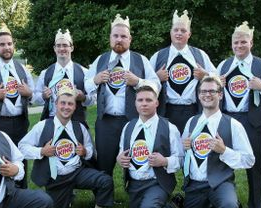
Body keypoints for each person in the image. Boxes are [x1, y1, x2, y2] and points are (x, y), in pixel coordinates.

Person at [181, 75, 254, 208]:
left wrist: (224, 151)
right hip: (194, 184)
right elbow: (184, 152)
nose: (207, 95)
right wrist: (184, 146)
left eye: (212, 91)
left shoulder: (232, 125)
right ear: (198, 95)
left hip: (219, 182)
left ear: (220, 95)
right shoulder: (192, 122)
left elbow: (249, 160)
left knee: (229, 206)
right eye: (203, 91)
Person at [216, 22, 261, 208]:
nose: (239, 45)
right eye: (235, 42)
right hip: (228, 119)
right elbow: (212, 92)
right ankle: (229, 205)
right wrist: (217, 84)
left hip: (252, 121)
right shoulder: (224, 65)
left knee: (254, 165)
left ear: (251, 43)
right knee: (224, 162)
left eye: (243, 42)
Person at [19, 86, 114, 208]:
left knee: (105, 181)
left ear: (75, 107)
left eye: (70, 104)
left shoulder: (80, 127)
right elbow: (21, 147)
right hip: (56, 178)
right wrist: (41, 151)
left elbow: (90, 150)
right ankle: (66, 197)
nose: (66, 107)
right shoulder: (42, 125)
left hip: (77, 172)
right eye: (63, 103)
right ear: (56, 104)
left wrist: (84, 152)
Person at [84, 14, 160, 176]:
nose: (119, 39)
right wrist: (95, 80)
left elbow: (156, 85)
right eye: (115, 36)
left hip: (133, 120)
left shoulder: (141, 60)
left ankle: (135, 192)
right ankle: (103, 199)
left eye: (123, 36)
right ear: (110, 38)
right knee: (104, 160)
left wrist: (138, 81)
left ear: (130, 39)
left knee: (135, 156)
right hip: (106, 121)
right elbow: (86, 85)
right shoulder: (100, 59)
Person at [116, 80, 183, 208]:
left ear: (156, 103)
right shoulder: (128, 127)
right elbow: (120, 153)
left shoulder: (169, 127)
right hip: (135, 183)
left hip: (157, 182)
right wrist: (119, 158)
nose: (144, 104)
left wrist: (165, 161)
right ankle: (173, 207)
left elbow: (181, 158)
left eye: (148, 100)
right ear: (135, 103)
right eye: (140, 100)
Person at [0, 23, 34, 191]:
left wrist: (29, 93)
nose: (6, 47)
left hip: (20, 122)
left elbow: (33, 95)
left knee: (20, 158)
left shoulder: (22, 68)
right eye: (2, 44)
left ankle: (22, 193)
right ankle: (2, 195)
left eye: (9, 44)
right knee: (0, 159)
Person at [149, 10, 216, 133]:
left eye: (183, 31)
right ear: (170, 33)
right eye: (176, 30)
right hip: (166, 110)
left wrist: (205, 75)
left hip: (194, 110)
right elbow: (144, 84)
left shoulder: (200, 55)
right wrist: (156, 77)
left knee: (191, 145)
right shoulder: (158, 56)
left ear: (189, 34)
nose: (179, 33)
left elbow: (218, 79)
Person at [32, 29, 91, 128]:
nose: (61, 48)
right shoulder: (45, 73)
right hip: (52, 121)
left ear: (71, 48)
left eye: (65, 45)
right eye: (58, 46)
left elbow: (92, 99)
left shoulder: (84, 72)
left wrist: (83, 97)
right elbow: (35, 98)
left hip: (76, 121)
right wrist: (43, 96)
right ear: (54, 48)